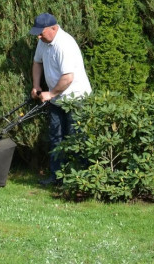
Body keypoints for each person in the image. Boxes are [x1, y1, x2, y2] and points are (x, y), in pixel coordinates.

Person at [29, 13, 92, 186]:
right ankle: (57, 177)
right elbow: (37, 62)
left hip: (76, 98)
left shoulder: (65, 44)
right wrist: (36, 86)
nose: (39, 37)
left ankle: (81, 180)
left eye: (41, 33)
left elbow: (68, 78)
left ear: (54, 28)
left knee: (77, 138)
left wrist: (51, 93)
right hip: (57, 98)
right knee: (55, 137)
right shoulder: (44, 42)